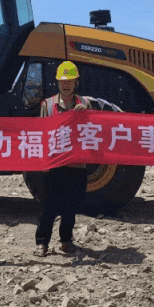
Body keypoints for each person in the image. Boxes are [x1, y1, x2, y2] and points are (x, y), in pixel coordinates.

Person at [34, 61, 91, 257]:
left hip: (76, 164)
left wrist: (85, 113)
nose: (66, 85)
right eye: (63, 81)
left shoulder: (85, 103)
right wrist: (43, 162)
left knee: (71, 206)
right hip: (54, 164)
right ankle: (42, 243)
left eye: (70, 81)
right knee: (48, 206)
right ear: (57, 82)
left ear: (76, 82)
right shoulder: (47, 105)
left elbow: (93, 129)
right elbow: (42, 132)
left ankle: (66, 240)